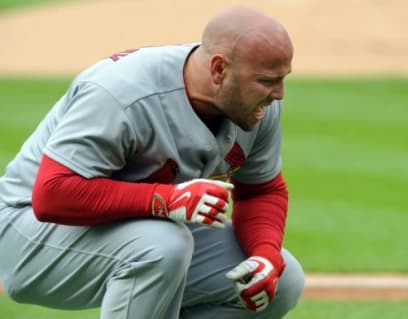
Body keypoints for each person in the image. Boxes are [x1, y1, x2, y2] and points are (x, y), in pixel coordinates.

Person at [0, 5, 304, 319]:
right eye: (267, 81)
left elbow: (261, 191)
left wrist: (265, 255)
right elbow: (52, 193)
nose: (278, 94)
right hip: (29, 234)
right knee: (163, 245)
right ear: (219, 70)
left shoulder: (255, 105)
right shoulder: (123, 93)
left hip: (134, 231)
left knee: (284, 280)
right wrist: (166, 199)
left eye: (282, 80)